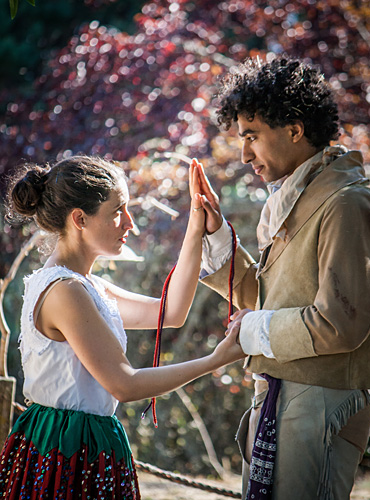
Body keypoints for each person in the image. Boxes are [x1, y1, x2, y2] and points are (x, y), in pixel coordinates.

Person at [0, 155, 244, 499]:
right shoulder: (66, 292)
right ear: (80, 219)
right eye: (118, 211)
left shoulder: (86, 286)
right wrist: (217, 360)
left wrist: (195, 226)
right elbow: (124, 385)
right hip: (67, 448)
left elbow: (170, 312)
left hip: (82, 441)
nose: (130, 222)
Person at [192, 55, 370, 500]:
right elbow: (269, 298)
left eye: (252, 136)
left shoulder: (347, 203)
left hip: (320, 399)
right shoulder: (293, 196)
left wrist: (252, 330)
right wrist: (217, 234)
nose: (243, 154)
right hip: (282, 395)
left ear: (295, 130)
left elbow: (340, 323)